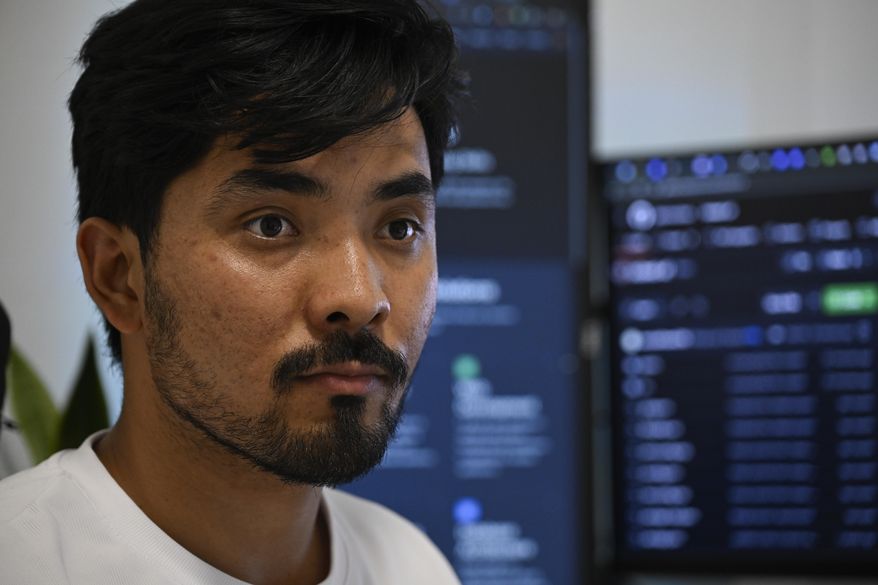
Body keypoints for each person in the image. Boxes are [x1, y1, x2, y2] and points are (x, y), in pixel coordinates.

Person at [0, 1, 466, 583]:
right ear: (118, 276)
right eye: (271, 224)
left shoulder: (412, 566)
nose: (360, 295)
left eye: (399, 227)